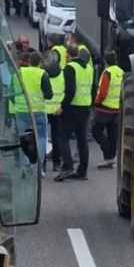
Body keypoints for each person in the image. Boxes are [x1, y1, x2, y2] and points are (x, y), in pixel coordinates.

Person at [11, 50, 52, 175]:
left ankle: (25, 167)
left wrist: (18, 103)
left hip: (21, 111)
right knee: (41, 138)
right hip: (38, 110)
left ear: (29, 61)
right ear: (40, 62)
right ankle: (39, 168)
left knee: (22, 139)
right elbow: (49, 95)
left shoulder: (18, 73)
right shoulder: (42, 74)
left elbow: (11, 93)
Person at [56, 46, 93, 182]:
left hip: (72, 108)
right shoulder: (89, 68)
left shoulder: (70, 68)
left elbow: (70, 91)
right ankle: (82, 171)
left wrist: (62, 107)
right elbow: (92, 87)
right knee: (82, 140)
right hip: (85, 107)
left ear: (68, 54)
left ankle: (67, 166)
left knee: (63, 137)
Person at [92, 50, 124, 169]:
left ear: (106, 61)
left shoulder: (107, 73)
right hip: (116, 108)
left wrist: (96, 102)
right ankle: (111, 158)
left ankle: (108, 153)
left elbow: (103, 92)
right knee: (112, 134)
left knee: (96, 131)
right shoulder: (121, 72)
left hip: (104, 109)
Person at [43, 46, 65, 172]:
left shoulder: (43, 74)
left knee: (43, 138)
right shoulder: (62, 74)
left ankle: (43, 164)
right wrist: (62, 106)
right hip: (58, 109)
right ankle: (56, 163)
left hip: (44, 109)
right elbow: (65, 92)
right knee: (57, 137)